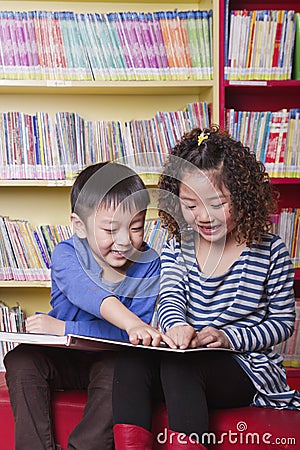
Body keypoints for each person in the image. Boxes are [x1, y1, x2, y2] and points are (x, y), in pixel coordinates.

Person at [112, 126, 300, 449]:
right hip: (184, 358)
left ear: (241, 197)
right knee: (130, 363)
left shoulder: (271, 250)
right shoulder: (178, 247)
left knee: (181, 366)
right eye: (190, 204)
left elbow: (282, 322)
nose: (203, 216)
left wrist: (229, 338)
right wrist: (176, 325)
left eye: (217, 203)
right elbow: (170, 296)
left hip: (246, 366)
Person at [4, 161, 172, 450]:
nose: (123, 241)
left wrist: (65, 327)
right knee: (20, 361)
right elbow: (87, 293)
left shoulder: (149, 264)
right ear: (79, 226)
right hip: (64, 358)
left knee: (121, 369)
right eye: (109, 230)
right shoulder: (66, 254)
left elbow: (133, 338)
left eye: (135, 228)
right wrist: (128, 323)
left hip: (112, 357)